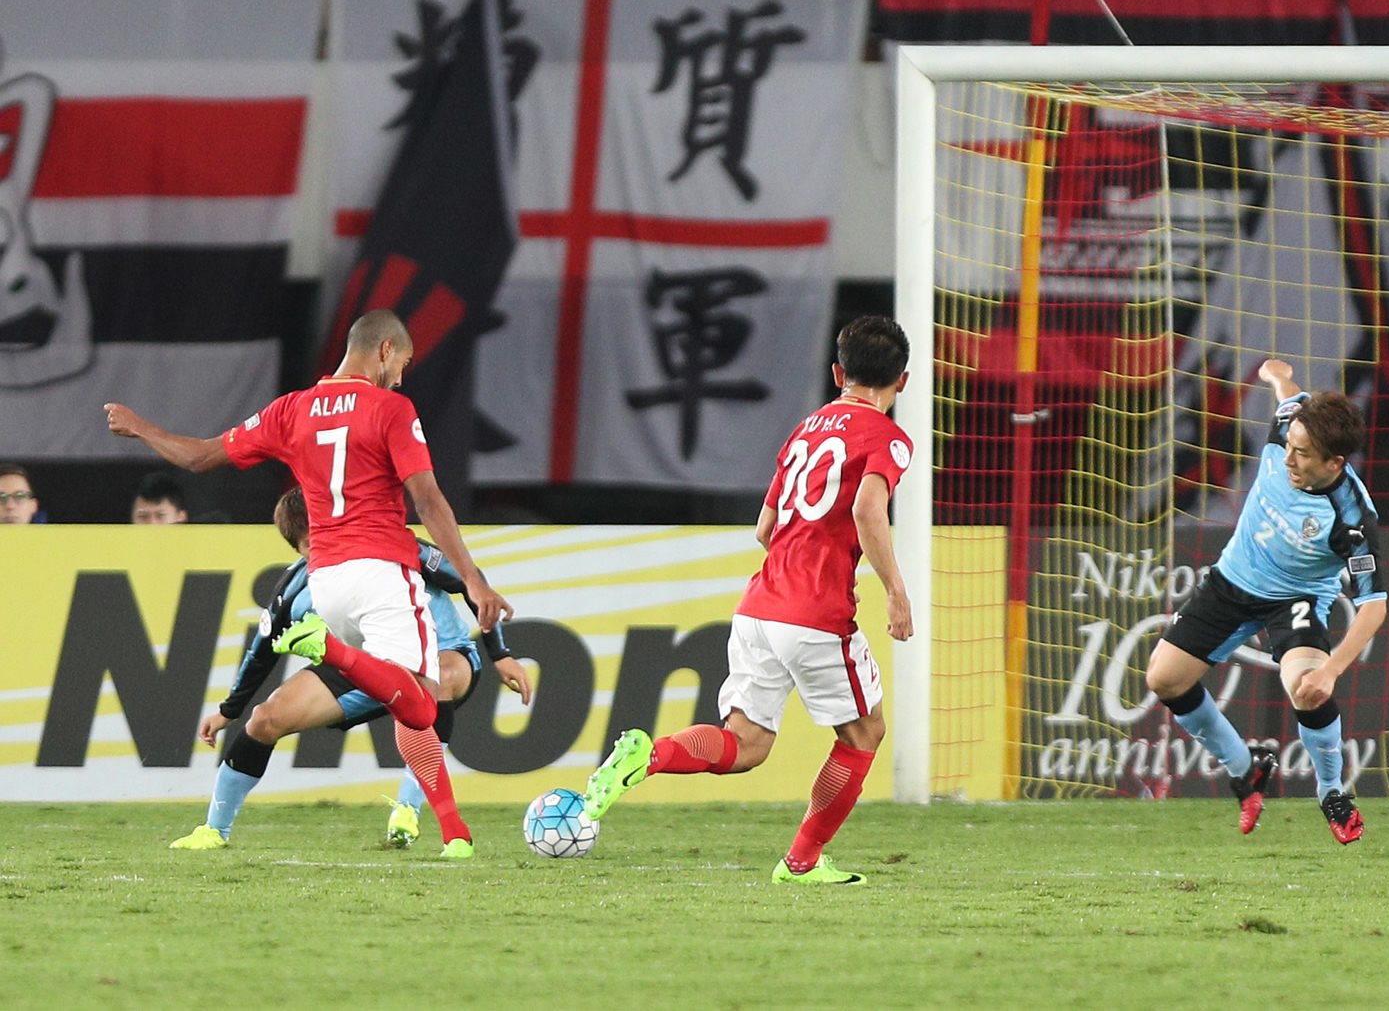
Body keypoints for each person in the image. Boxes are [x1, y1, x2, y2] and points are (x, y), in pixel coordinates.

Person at [103, 309, 512, 860]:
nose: (402, 377)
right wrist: (474, 579)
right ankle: (453, 832)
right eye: (404, 363)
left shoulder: (291, 410)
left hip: (328, 584)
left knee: (269, 718)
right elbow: (428, 498)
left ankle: (214, 830)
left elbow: (199, 457)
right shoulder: (393, 408)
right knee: (419, 703)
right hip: (381, 574)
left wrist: (139, 427)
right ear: (385, 350)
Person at [583, 316, 917, 887]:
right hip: (815, 613)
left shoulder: (804, 430)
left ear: (838, 373)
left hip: (759, 607)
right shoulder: (888, 438)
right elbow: (867, 510)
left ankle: (648, 754)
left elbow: (765, 528)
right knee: (864, 735)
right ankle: (801, 862)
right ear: (903, 382)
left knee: (745, 744)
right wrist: (895, 590)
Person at [170, 488, 531, 850]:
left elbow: (473, 583)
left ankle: (408, 811)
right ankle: (215, 830)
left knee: (440, 679)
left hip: (439, 653)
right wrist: (228, 711)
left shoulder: (399, 547)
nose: (322, 545)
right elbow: (262, 650)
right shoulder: (296, 589)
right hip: (358, 665)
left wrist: (500, 654)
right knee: (265, 719)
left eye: (326, 531)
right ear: (297, 548)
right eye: (310, 543)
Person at [1141, 358, 1385, 843]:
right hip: (1231, 581)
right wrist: (1276, 375)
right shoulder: (1291, 425)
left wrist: (1330, 669)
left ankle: (1332, 792)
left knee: (1306, 688)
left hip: (1294, 599)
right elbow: (1288, 393)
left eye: (1303, 455)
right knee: (1163, 678)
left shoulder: (1352, 518)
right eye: (1288, 447)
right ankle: (1245, 768)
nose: (1288, 459)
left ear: (1334, 463)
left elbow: (1374, 605)